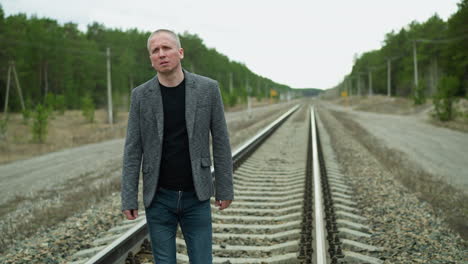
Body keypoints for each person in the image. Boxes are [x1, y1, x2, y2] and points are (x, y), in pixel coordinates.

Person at [121, 29, 233, 264]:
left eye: (167, 48)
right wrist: (128, 197)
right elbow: (133, 149)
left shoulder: (207, 89)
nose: (161, 54)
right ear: (151, 59)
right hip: (159, 199)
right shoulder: (141, 95)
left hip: (197, 196)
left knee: (202, 260)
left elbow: (221, 141)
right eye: (155, 51)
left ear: (180, 52)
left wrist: (224, 188)